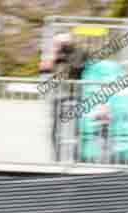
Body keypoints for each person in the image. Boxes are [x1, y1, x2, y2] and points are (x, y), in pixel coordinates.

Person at [40, 32, 89, 160]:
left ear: (70, 42)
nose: (61, 46)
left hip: (75, 95)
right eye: (57, 43)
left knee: (76, 129)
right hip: (58, 96)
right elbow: (44, 68)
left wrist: (65, 55)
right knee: (55, 129)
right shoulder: (55, 54)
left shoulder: (79, 52)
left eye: (63, 43)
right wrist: (55, 55)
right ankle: (57, 157)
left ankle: (76, 157)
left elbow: (77, 66)